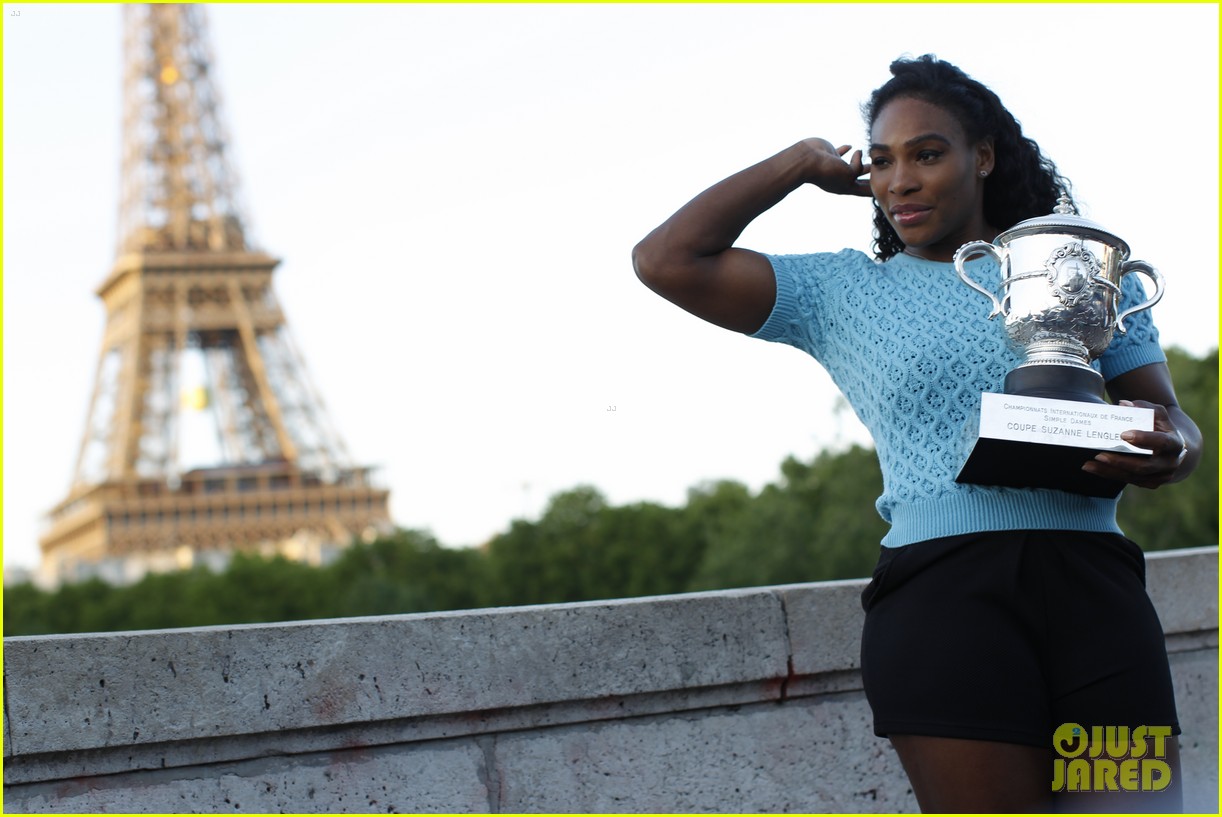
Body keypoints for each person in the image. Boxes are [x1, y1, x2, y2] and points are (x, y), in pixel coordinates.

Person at [632, 54, 1200, 813]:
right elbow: (665, 259)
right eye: (882, 161)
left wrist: (1173, 451)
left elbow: (1172, 422)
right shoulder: (840, 291)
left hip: (1100, 597)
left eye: (926, 154)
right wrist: (798, 163)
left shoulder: (1083, 275)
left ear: (983, 157)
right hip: (945, 604)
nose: (899, 180)